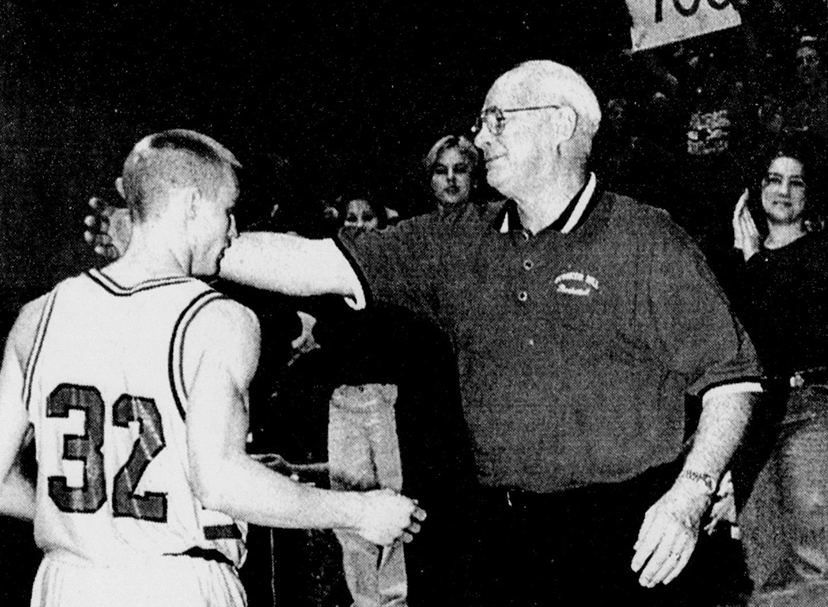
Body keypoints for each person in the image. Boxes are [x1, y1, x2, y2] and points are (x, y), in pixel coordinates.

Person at [85, 62, 761, 606]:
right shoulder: (457, 238)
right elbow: (317, 262)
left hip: (629, 530)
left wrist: (691, 491)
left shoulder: (647, 239)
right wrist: (186, 243)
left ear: (560, 125)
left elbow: (732, 380)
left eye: (497, 118)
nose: (479, 136)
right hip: (509, 533)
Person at [0, 129, 423, 607]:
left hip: (64, 583)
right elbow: (221, 480)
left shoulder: (37, 315)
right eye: (228, 211)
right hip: (175, 584)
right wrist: (358, 511)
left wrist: (88, 518)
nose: (233, 231)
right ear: (192, 204)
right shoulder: (217, 318)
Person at [730, 132, 828, 605]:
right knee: (763, 562)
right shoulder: (736, 264)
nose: (784, 191)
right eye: (774, 179)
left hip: (810, 410)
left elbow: (788, 334)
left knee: (814, 559)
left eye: (796, 182)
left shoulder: (819, 254)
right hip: (754, 421)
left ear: (810, 194)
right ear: (757, 187)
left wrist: (753, 261)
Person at [422, 135, 480, 212]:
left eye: (459, 170)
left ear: (473, 179)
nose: (450, 177)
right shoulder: (412, 224)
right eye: (441, 171)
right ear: (431, 181)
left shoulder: (494, 217)